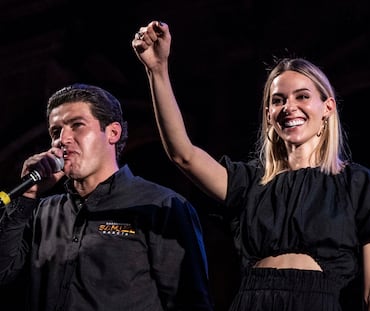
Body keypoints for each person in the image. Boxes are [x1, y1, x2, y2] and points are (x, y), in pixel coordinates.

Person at [131, 20, 370, 311]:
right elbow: (184, 155)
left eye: (302, 96)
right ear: (268, 114)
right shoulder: (250, 182)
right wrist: (157, 70)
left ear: (327, 107)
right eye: (278, 100)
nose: (289, 107)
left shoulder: (360, 185)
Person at [0, 83, 214, 311]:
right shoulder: (42, 212)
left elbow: (191, 302)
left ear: (113, 132)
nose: (62, 139)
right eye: (56, 132)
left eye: (77, 125)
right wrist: (26, 197)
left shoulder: (160, 206)